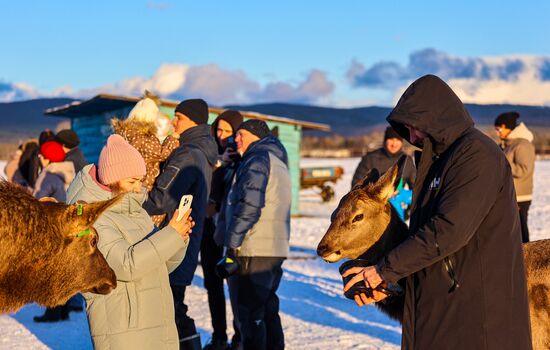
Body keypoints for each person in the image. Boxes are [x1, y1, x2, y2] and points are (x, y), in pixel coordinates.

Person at [342, 75, 532, 349]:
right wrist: (389, 289)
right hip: (446, 311)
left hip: (478, 320)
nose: (413, 136)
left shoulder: (477, 155)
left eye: (415, 127)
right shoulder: (440, 162)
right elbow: (428, 244)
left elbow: (447, 231)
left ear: (436, 116)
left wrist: (385, 270)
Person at [66, 134, 194, 350]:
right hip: (123, 329)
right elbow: (125, 266)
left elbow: (162, 265)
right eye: (132, 181)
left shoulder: (134, 210)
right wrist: (170, 235)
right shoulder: (91, 218)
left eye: (140, 180)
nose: (138, 188)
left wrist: (179, 238)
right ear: (111, 179)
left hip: (154, 322)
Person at [144, 98, 218, 350]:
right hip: (185, 241)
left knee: (169, 312)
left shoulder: (187, 153)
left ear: (194, 121)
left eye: (179, 117)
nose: (173, 121)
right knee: (174, 309)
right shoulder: (202, 151)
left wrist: (130, 208)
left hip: (171, 243)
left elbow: (160, 198)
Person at [215, 119, 291, 350]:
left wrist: (231, 244)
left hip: (252, 248)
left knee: (249, 314)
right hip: (272, 247)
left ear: (256, 136)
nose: (235, 139)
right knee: (267, 310)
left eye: (241, 135)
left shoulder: (257, 160)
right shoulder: (274, 159)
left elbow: (249, 207)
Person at [202, 110, 243, 350]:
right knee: (212, 284)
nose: (221, 135)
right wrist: (218, 164)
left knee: (233, 284)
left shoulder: (241, 157)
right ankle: (219, 336)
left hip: (228, 231)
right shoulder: (211, 154)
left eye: (227, 131)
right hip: (208, 229)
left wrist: (228, 165)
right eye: (218, 129)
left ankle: (239, 337)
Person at [32, 140, 77, 322]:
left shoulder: (48, 175)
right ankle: (63, 311)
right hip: (65, 227)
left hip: (51, 228)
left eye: (42, 155)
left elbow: (38, 201)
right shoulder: (67, 172)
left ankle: (52, 313)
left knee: (50, 272)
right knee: (62, 270)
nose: (40, 158)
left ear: (48, 158)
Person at [112, 97, 180, 192]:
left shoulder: (124, 133)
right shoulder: (142, 137)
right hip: (142, 186)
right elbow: (164, 154)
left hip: (124, 183)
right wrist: (173, 138)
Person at [494, 112, 536, 243]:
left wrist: (502, 162)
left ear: (507, 127)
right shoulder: (507, 144)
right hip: (508, 195)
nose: (497, 133)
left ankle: (525, 260)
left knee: (520, 233)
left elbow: (524, 170)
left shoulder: (523, 145)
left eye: (499, 129)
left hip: (520, 197)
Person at [351, 126, 415, 189]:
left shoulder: (407, 160)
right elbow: (356, 185)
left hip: (398, 198)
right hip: (372, 198)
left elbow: (415, 186)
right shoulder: (370, 159)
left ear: (402, 142)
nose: (394, 144)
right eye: (391, 140)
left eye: (397, 140)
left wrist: (406, 195)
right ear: (385, 141)